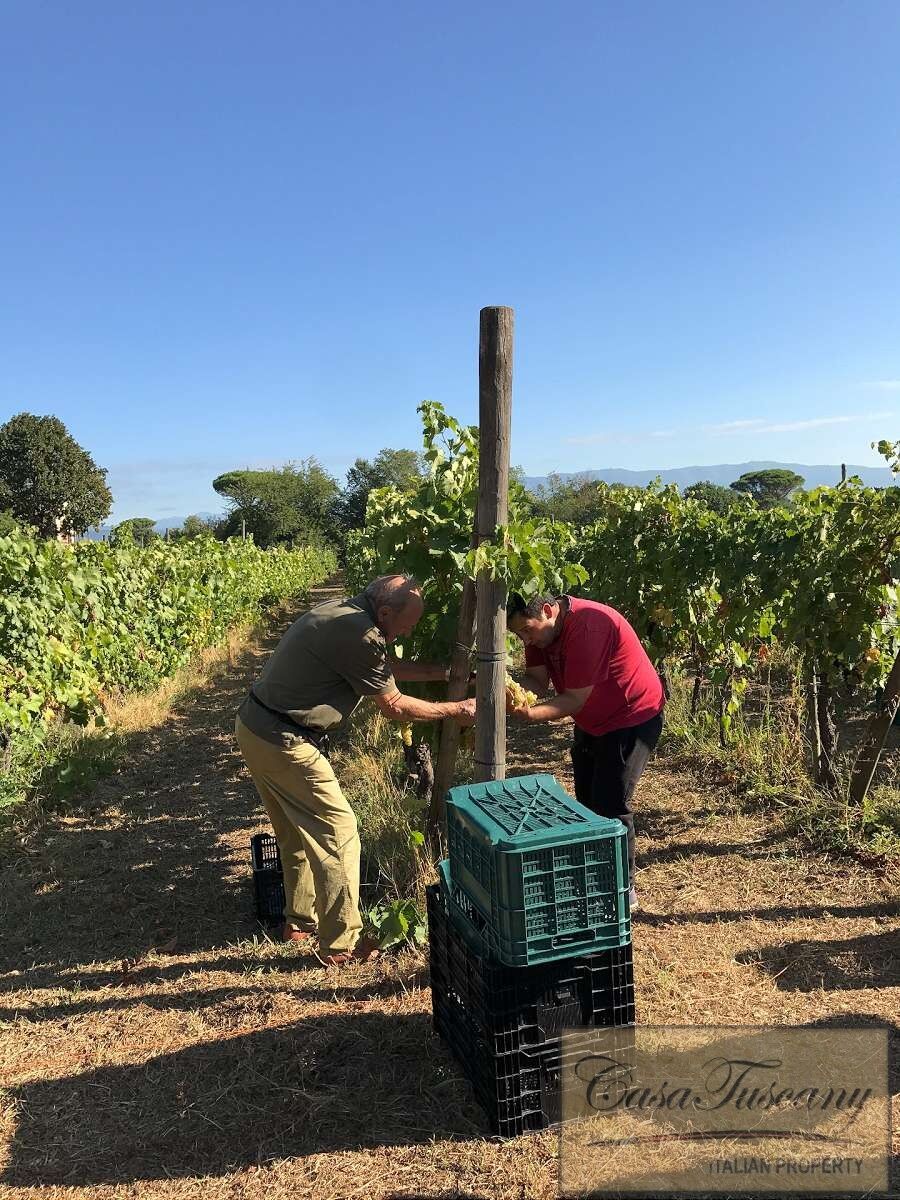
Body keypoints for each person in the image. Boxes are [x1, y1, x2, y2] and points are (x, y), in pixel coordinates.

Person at [236, 574, 475, 965]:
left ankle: (299, 922)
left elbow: (384, 668)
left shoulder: (345, 613)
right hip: (285, 741)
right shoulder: (362, 634)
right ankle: (341, 945)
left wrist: (444, 672)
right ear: (386, 612)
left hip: (255, 728)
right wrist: (457, 709)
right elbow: (394, 704)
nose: (409, 631)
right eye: (408, 624)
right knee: (339, 831)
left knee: (295, 833)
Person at [506, 592, 665, 910]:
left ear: (549, 611)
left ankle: (623, 890)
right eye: (519, 634)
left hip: (631, 715)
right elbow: (536, 680)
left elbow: (573, 700)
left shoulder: (589, 626)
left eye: (526, 631)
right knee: (587, 803)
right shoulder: (540, 632)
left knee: (610, 802)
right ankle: (596, 877)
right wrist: (507, 690)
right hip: (593, 720)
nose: (525, 640)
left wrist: (529, 714)